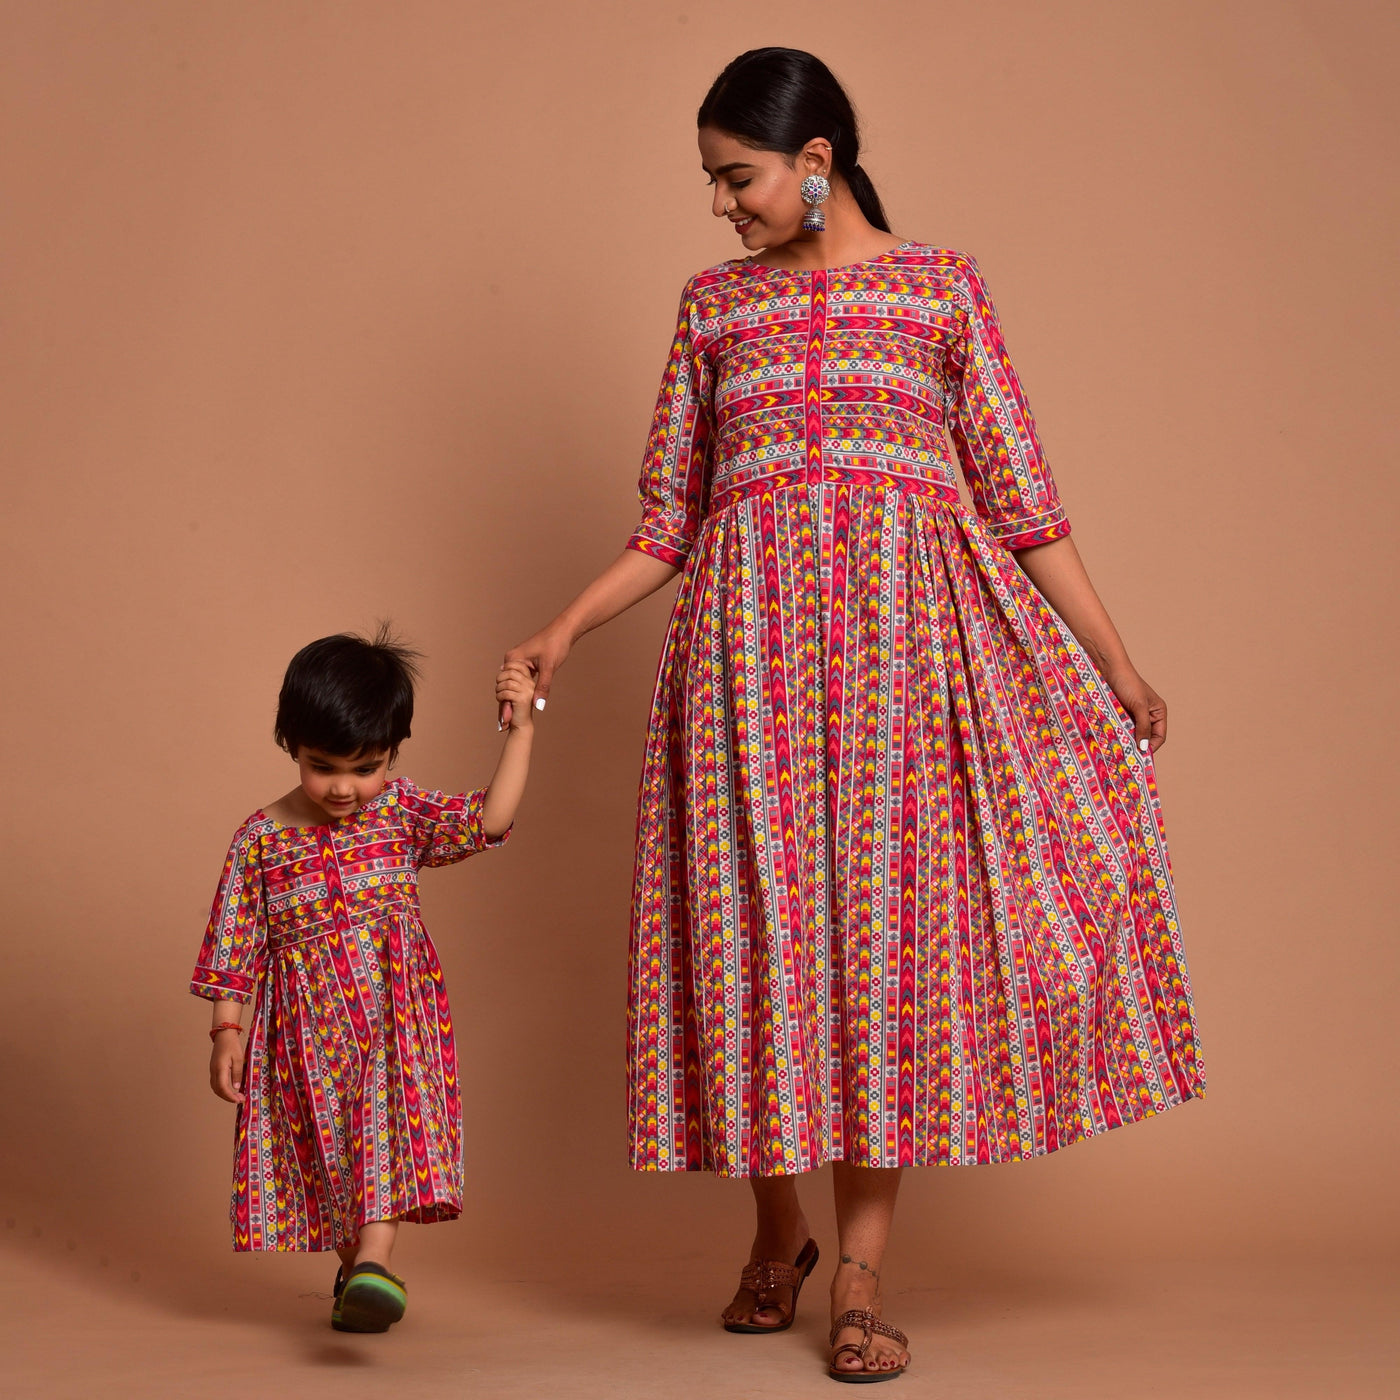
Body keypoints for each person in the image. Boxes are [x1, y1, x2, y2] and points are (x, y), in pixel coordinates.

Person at [502, 47, 1204, 1383]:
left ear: (814, 162)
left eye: (739, 177)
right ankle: (779, 1230)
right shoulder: (713, 310)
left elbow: (1021, 498)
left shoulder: (941, 291)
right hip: (742, 680)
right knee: (753, 951)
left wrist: (1113, 659)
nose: (721, 205)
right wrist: (559, 628)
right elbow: (669, 520)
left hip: (903, 681)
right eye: (711, 182)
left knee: (882, 962)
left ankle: (864, 1276)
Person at [191, 627, 535, 1333]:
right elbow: (234, 943)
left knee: (384, 1129)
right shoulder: (259, 839)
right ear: (289, 741)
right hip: (302, 1036)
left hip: (392, 1019)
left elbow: (490, 819)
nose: (346, 788)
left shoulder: (402, 811)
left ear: (394, 754)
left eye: (367, 767)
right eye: (324, 767)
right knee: (325, 1153)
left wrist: (521, 729)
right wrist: (228, 1030)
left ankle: (376, 1260)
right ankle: (355, 1269)